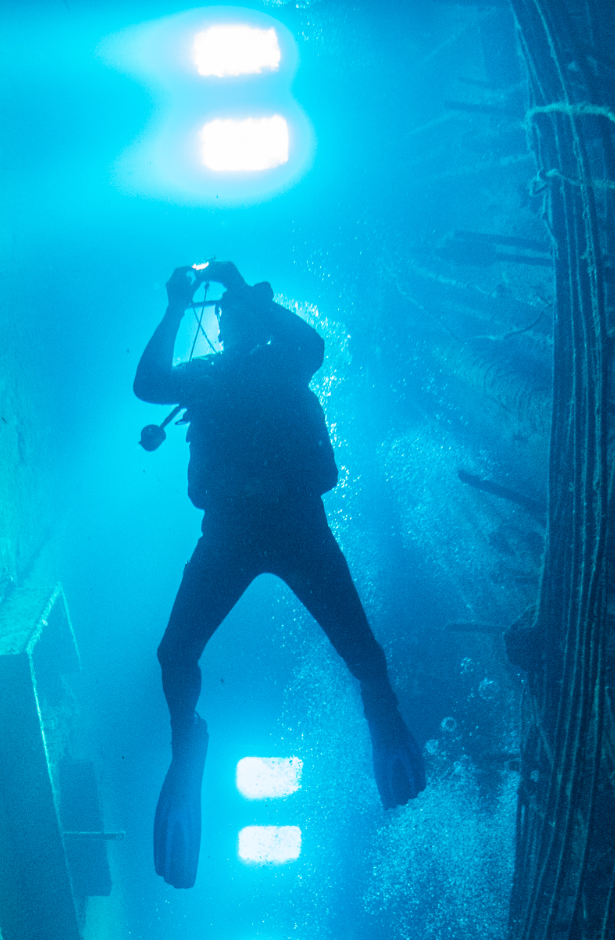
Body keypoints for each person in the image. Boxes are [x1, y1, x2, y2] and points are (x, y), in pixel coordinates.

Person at [135, 260, 425, 888]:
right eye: (226, 315)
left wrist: (238, 293)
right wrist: (175, 306)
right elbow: (147, 382)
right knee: (174, 654)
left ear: (256, 316)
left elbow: (311, 344)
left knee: (365, 655)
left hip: (293, 525)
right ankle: (188, 741)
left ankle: (383, 714)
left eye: (241, 312)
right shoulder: (206, 378)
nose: (232, 321)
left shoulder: (284, 359)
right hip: (243, 531)